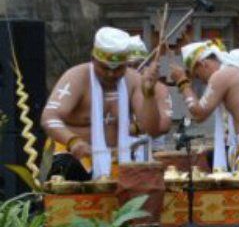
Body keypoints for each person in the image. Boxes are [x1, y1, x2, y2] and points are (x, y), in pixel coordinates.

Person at [40, 27, 170, 180]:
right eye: (104, 67)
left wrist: (149, 95)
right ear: (93, 59)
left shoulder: (133, 80)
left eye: (118, 69)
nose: (111, 74)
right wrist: (72, 140)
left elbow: (152, 130)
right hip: (74, 161)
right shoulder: (77, 77)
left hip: (120, 162)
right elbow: (48, 117)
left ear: (126, 63)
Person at [169, 40, 239, 174]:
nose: (203, 81)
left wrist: (182, 82)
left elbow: (198, 114)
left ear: (204, 64)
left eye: (198, 75)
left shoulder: (221, 76)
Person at [124, 34, 174, 161]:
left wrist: (133, 128)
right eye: (127, 66)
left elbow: (163, 126)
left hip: (151, 155)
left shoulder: (158, 88)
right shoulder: (116, 87)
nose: (131, 70)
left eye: (136, 65)